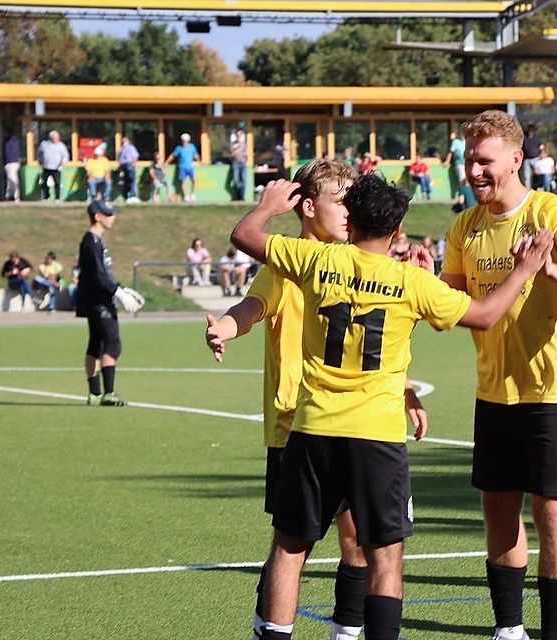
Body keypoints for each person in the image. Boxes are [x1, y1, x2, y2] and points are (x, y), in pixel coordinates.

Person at [230, 174, 552, 640]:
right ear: (397, 227)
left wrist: (267, 206)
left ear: (351, 218)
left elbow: (243, 236)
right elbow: (483, 316)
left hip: (313, 427)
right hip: (376, 436)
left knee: (290, 546)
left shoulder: (315, 258)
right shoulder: (410, 282)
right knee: (384, 554)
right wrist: (523, 270)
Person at [440, 109, 557, 640]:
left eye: (484, 160)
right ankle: (509, 628)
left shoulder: (551, 213)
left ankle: (553, 633)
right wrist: (419, 276)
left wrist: (547, 267)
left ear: (516, 159)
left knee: (553, 512)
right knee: (497, 508)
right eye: (468, 160)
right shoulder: (465, 226)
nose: (473, 171)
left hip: (555, 390)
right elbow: (452, 301)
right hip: (494, 391)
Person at [206, 159, 392, 640]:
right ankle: (267, 627)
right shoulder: (289, 263)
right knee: (294, 543)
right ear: (308, 208)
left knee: (355, 537)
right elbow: (251, 306)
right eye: (339, 201)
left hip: (350, 422)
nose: (350, 212)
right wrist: (225, 326)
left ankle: (347, 630)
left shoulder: (355, 264)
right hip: (294, 426)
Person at [76, 200, 139, 407]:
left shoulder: (95, 241)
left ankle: (95, 393)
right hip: (99, 302)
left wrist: (121, 288)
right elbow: (98, 275)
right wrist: (118, 293)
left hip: (98, 299)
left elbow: (102, 274)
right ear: (97, 216)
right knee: (112, 343)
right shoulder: (91, 241)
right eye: (108, 214)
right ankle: (108, 392)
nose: (113, 217)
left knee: (96, 344)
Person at [166, 133, 201, 202]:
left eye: (186, 140)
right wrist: (166, 162)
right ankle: (186, 196)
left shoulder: (192, 146)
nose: (184, 141)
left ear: (188, 140)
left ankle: (192, 195)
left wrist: (200, 160)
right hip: (182, 167)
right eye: (183, 140)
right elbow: (173, 155)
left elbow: (195, 155)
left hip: (190, 167)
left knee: (194, 180)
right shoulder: (178, 148)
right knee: (183, 182)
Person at [37, 130, 69, 201]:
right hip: (45, 167)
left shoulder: (61, 145)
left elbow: (65, 155)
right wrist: (39, 160)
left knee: (57, 183)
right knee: (44, 183)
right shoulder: (44, 144)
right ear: (50, 137)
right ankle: (46, 197)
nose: (56, 139)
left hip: (56, 168)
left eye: (57, 137)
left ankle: (57, 198)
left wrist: (63, 162)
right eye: (54, 137)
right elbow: (39, 153)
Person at [118, 136, 140, 203]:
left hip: (129, 165)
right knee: (125, 181)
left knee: (132, 180)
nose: (123, 143)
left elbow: (135, 156)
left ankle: (132, 196)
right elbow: (119, 157)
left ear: (128, 141)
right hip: (123, 166)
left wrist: (133, 164)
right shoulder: (121, 148)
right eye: (122, 141)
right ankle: (127, 197)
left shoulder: (131, 147)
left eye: (124, 141)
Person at [521, 124, 542, 189]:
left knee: (537, 174)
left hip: (536, 159)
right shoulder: (525, 138)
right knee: (526, 176)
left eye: (532, 130)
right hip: (527, 159)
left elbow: (541, 147)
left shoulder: (537, 138)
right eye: (529, 130)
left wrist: (541, 156)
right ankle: (528, 189)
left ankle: (537, 187)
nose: (530, 131)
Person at [3, 128, 21, 202]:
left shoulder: (8, 141)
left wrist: (5, 162)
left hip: (11, 162)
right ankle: (9, 195)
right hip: (14, 162)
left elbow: (7, 153)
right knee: (10, 180)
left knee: (12, 179)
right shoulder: (15, 141)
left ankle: (16, 196)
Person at [231, 128, 248, 201]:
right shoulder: (233, 144)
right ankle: (238, 196)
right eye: (237, 134)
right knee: (236, 179)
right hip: (235, 163)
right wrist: (237, 148)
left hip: (243, 163)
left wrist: (239, 152)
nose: (239, 136)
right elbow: (232, 153)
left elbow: (246, 153)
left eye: (240, 134)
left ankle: (242, 197)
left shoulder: (245, 143)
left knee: (243, 180)